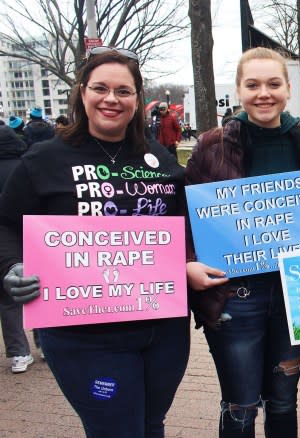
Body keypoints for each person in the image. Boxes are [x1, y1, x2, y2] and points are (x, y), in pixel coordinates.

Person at [0, 48, 188, 437]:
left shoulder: (159, 158)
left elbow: (188, 227)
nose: (111, 99)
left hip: (162, 331)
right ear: (82, 93)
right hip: (84, 335)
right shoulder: (44, 159)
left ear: (137, 99)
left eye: (124, 90)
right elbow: (4, 225)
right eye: (100, 88)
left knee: (151, 426)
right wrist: (10, 267)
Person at [184, 47, 300, 438]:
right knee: (240, 404)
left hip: (296, 293)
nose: (264, 93)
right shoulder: (212, 146)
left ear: (288, 89)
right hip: (235, 296)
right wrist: (188, 263)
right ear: (238, 91)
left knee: (283, 401)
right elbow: (184, 216)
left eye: (273, 84)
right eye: (253, 85)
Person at [0, 125, 34, 374]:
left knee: (9, 299)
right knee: (39, 287)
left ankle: (19, 352)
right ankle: (42, 344)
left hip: (6, 243)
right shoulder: (27, 166)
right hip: (34, 236)